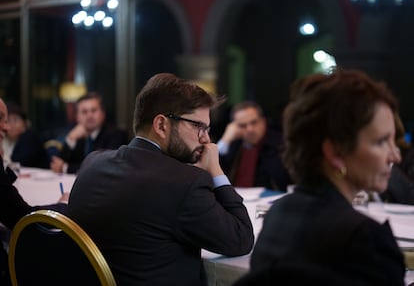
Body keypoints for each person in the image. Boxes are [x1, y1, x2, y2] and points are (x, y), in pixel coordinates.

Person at [68, 73, 254, 286]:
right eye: (198, 126)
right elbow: (241, 239)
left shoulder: (92, 163)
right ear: (162, 125)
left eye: (207, 128)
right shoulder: (183, 183)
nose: (205, 139)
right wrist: (216, 171)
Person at [235, 69, 405, 285]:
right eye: (381, 141)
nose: (395, 156)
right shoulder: (365, 239)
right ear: (335, 152)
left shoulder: (279, 212)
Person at [0, 98, 68, 286]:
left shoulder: (29, 138)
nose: (6, 128)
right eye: (1, 119)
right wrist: (63, 206)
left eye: (9, 120)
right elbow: (21, 218)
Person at [217, 101, 291, 191]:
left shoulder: (280, 144)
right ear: (234, 127)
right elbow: (214, 174)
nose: (250, 129)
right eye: (242, 125)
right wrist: (225, 140)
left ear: (263, 121)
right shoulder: (234, 145)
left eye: (254, 122)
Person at [50, 92, 127, 174]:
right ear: (77, 117)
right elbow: (58, 163)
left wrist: (66, 168)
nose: (89, 115)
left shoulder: (115, 134)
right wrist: (71, 139)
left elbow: (102, 167)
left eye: (93, 111)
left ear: (103, 114)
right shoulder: (78, 134)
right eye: (84, 112)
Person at [2, 103, 48, 168]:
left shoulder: (30, 138)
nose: (12, 125)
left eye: (15, 120)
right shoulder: (4, 139)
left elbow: (18, 162)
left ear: (25, 123)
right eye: (8, 121)